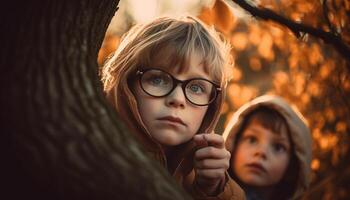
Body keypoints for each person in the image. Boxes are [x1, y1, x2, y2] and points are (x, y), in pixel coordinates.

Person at [101, 16, 245, 199]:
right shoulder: (90, 154)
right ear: (127, 85)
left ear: (212, 105)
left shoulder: (214, 183)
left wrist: (212, 191)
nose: (177, 99)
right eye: (158, 79)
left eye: (196, 87)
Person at [223, 95, 312, 200]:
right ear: (233, 143)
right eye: (252, 139)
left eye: (278, 147)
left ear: (292, 165)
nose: (261, 152)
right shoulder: (204, 191)